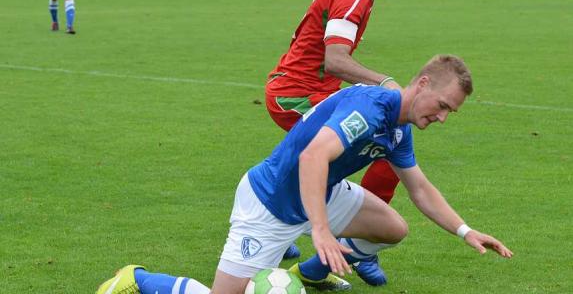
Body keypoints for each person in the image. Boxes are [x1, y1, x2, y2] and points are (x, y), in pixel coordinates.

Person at [96, 55, 513, 294]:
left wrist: (464, 231)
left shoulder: (398, 127)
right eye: (441, 105)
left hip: (321, 191)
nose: (441, 117)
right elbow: (314, 157)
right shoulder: (372, 110)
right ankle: (136, 278)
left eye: (449, 113)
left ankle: (309, 273)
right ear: (422, 84)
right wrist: (320, 230)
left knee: (392, 227)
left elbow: (418, 186)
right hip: (271, 201)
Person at [266, 0, 422, 284]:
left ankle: (343, 247)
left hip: (320, 93)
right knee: (337, 154)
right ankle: (318, 236)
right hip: (294, 94)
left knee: (389, 134)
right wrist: (384, 83)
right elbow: (335, 60)